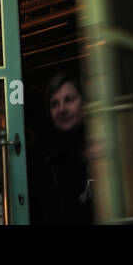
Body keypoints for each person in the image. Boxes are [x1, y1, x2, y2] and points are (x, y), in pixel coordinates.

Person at [30, 71, 94, 225]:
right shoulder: (44, 158)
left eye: (69, 100)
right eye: (54, 104)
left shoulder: (97, 145)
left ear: (85, 103)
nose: (61, 109)